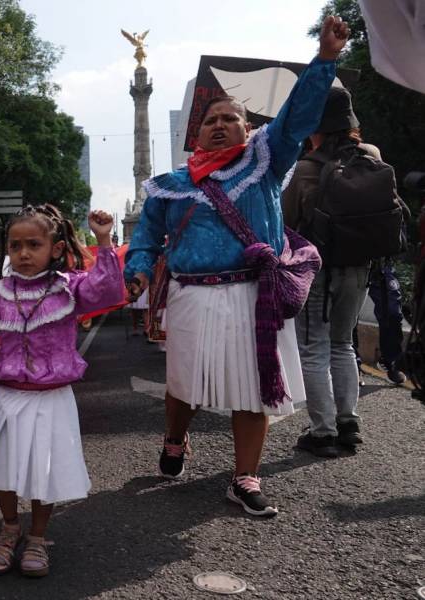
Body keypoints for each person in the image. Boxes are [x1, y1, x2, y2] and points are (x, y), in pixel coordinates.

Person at [124, 15, 350, 516]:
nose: (221, 124)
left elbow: (297, 115)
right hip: (191, 294)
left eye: (231, 118)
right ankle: (175, 442)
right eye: (211, 120)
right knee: (184, 385)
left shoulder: (267, 163)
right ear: (196, 134)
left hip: (255, 296)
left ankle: (245, 477)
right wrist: (137, 268)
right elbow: (145, 237)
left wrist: (325, 60)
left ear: (249, 130)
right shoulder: (169, 184)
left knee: (253, 388)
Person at [0, 205, 123, 577]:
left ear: (55, 249)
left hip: (52, 399)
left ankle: (38, 537)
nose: (23, 253)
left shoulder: (69, 289)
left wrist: (103, 239)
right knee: (3, 469)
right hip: (7, 396)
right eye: (15, 245)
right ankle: (9, 529)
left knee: (45, 472)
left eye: (34, 245)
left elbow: (105, 290)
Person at [283, 87, 407, 457]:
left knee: (314, 347)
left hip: (318, 269)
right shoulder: (373, 156)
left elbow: (288, 223)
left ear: (314, 127)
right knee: (344, 344)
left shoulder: (304, 168)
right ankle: (348, 421)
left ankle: (322, 431)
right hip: (360, 266)